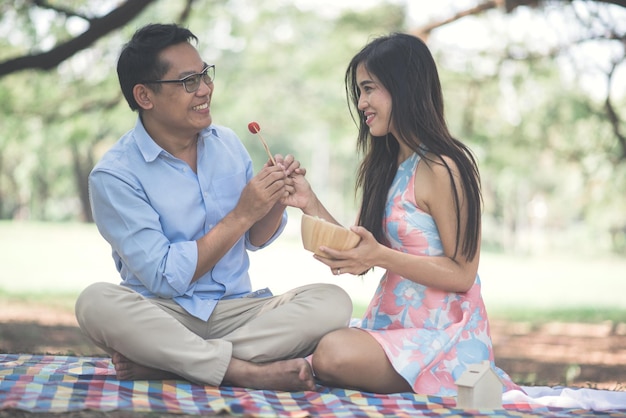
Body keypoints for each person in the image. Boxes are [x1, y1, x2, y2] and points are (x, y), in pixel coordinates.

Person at [74, 23, 352, 392]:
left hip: (237, 310)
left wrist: (272, 200)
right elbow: (165, 276)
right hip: (162, 312)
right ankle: (242, 371)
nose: (205, 89)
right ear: (144, 96)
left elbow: (255, 238)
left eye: (206, 74)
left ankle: (170, 363)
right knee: (94, 302)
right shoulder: (114, 175)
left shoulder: (228, 144)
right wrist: (243, 212)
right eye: (188, 81)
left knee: (333, 302)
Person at [287, 33, 521, 395]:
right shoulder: (386, 165)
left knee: (332, 353)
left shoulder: (443, 166)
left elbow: (462, 273)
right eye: (359, 92)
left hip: (442, 335)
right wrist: (309, 201)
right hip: (392, 324)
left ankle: (459, 379)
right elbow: (360, 251)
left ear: (404, 88)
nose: (362, 102)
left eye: (369, 89)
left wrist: (379, 255)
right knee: (303, 332)